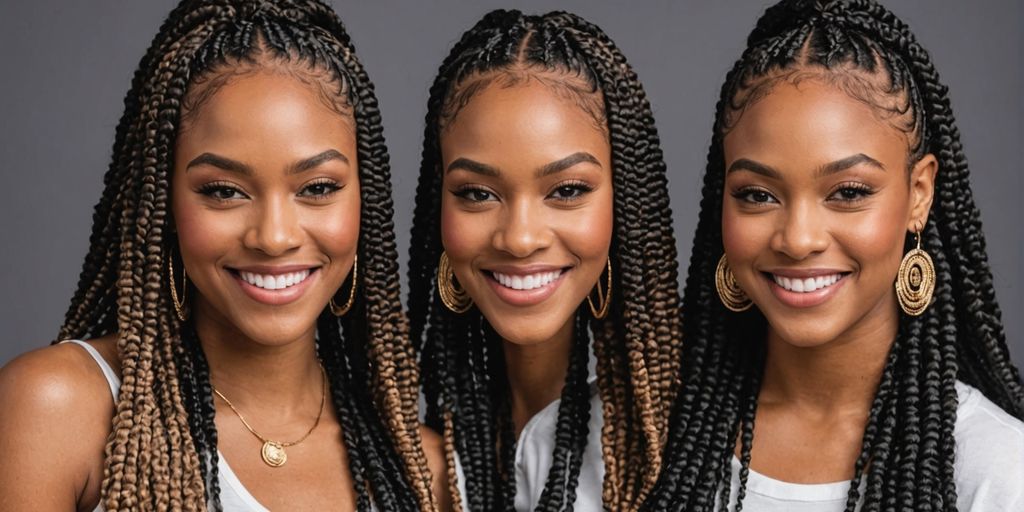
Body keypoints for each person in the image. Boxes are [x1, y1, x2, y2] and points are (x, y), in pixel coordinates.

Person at [0, 1, 447, 510]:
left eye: (318, 187)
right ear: (161, 202)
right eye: (224, 191)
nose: (274, 237)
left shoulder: (419, 471)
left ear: (365, 200)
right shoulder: (57, 408)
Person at [645, 1, 1024, 510]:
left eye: (847, 192)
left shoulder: (997, 472)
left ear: (919, 193)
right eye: (757, 195)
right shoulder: (634, 441)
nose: (798, 240)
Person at [406, 10, 683, 511]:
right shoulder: (410, 466)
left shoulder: (688, 453)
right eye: (476, 193)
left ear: (626, 203)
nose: (520, 238)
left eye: (568, 190)